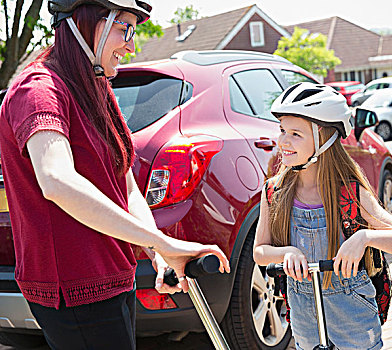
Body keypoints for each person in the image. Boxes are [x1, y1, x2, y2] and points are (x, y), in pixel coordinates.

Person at [0, 0, 229, 348]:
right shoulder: (39, 91)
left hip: (116, 275)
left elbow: (125, 184)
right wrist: (163, 242)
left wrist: (155, 251)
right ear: (85, 21)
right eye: (124, 28)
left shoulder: (97, 88)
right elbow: (56, 180)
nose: (131, 45)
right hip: (75, 287)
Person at [253, 82, 392, 350]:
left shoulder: (350, 193)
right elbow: (260, 252)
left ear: (324, 140)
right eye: (282, 130)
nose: (283, 141)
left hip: (351, 310)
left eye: (296, 134)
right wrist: (287, 253)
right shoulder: (275, 191)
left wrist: (364, 238)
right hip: (302, 310)